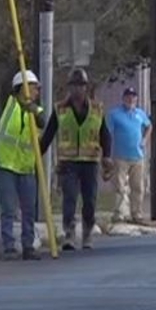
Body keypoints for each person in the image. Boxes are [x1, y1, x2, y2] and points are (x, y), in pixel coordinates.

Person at [42, 67, 111, 251]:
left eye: (80, 86)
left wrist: (107, 157)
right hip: (68, 162)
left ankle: (87, 232)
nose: (76, 90)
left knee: (89, 200)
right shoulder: (60, 110)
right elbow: (49, 134)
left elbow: (105, 134)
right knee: (69, 198)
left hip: (90, 162)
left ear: (85, 88)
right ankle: (69, 233)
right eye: (73, 86)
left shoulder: (97, 110)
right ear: (69, 88)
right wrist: (38, 154)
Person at [0, 70, 45, 261]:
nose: (37, 92)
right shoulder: (10, 106)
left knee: (28, 210)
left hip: (26, 167)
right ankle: (8, 247)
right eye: (34, 88)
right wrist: (24, 104)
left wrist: (33, 109)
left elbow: (43, 122)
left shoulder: (35, 110)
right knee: (8, 208)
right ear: (23, 88)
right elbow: (8, 126)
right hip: (6, 165)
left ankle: (28, 245)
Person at [105, 86, 152, 223]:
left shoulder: (140, 114)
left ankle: (136, 213)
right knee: (120, 187)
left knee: (138, 187)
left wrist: (145, 139)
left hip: (138, 156)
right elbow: (108, 132)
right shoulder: (115, 114)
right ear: (123, 98)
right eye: (128, 96)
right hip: (120, 156)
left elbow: (149, 126)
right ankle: (119, 213)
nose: (130, 99)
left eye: (133, 97)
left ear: (136, 99)